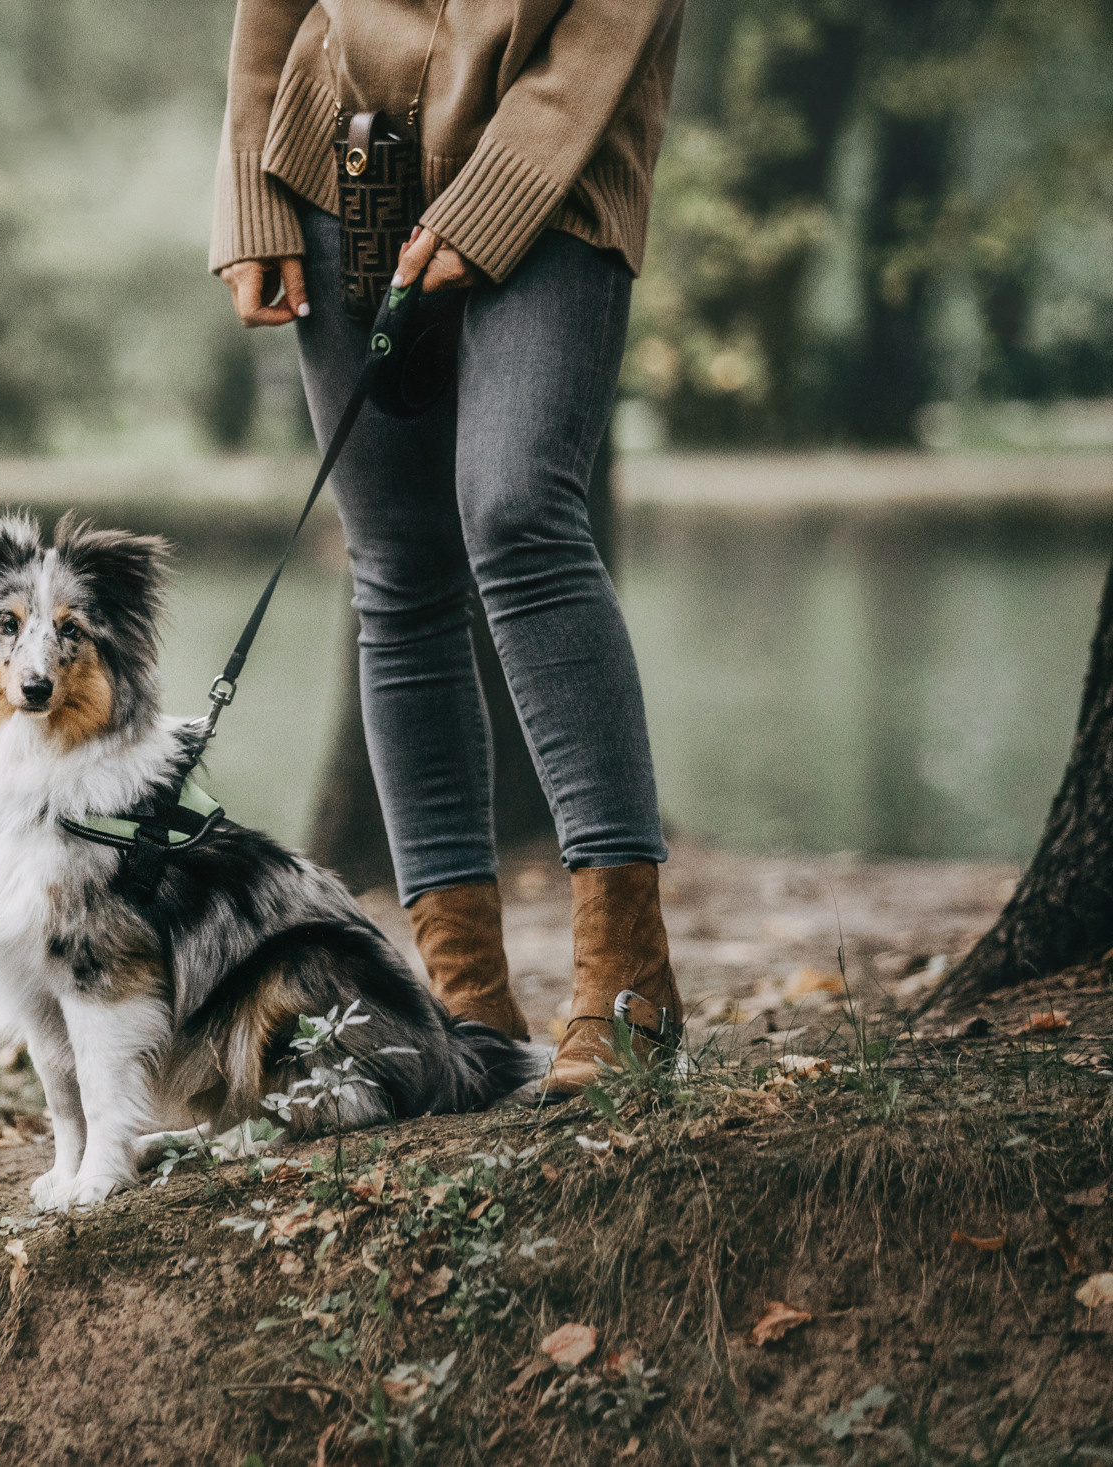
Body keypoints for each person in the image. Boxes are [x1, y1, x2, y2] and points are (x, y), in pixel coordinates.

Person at [209, 0, 688, 1096]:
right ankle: (467, 1009)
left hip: (563, 158)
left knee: (519, 515)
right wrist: (250, 194)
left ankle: (630, 983)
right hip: (342, 160)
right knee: (395, 568)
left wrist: (497, 192)